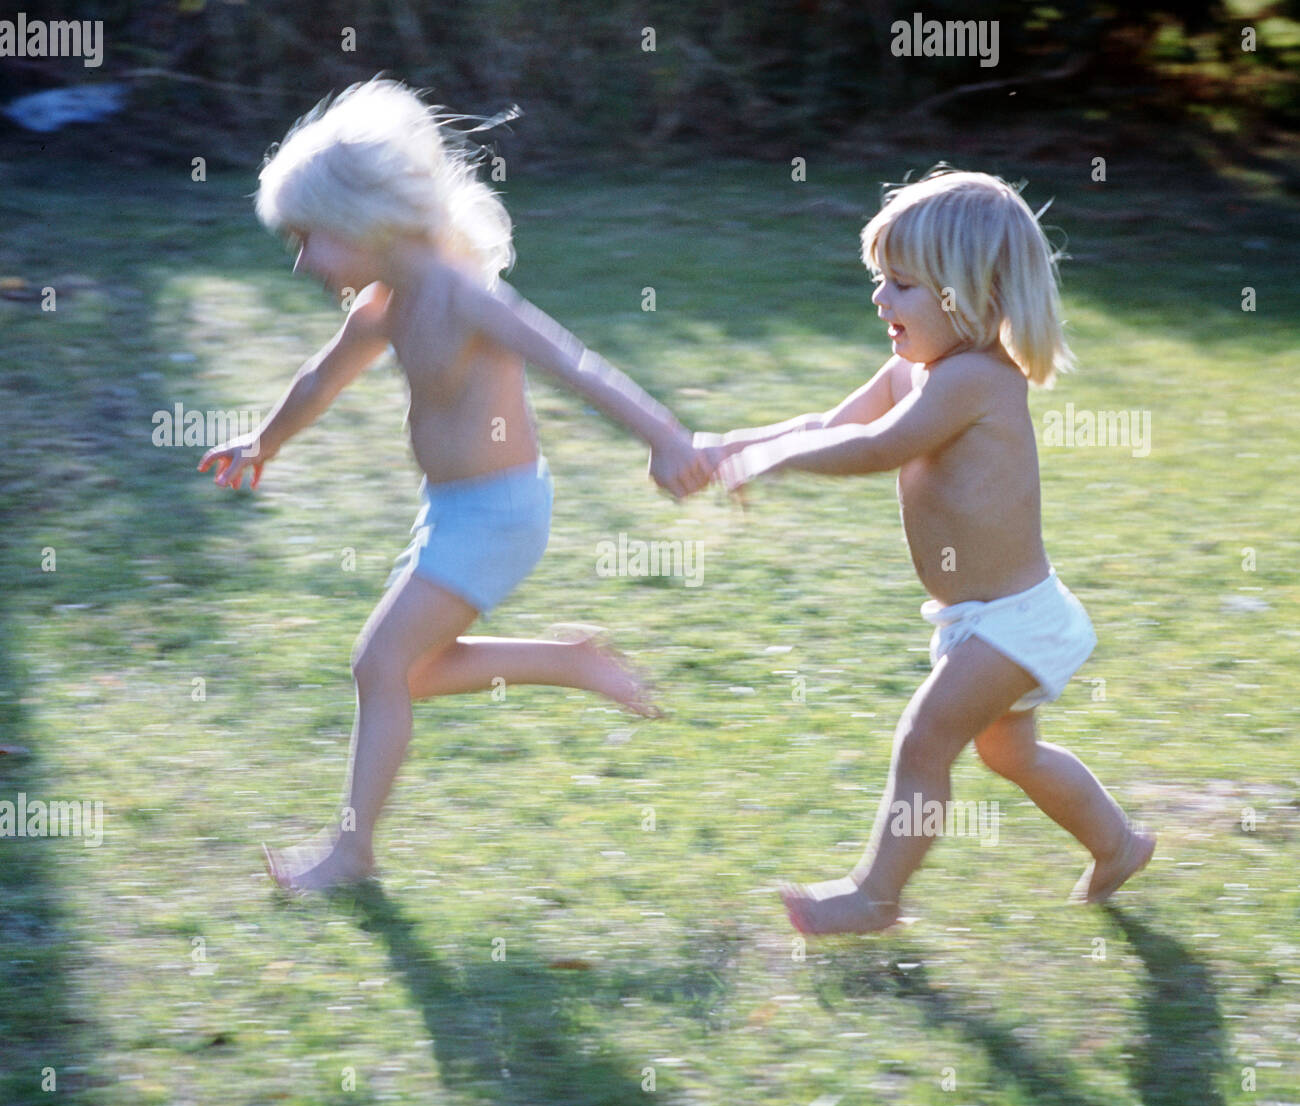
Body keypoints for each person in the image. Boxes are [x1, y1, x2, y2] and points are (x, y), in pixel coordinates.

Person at [197, 79, 713, 891]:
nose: (300, 261)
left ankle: (350, 854)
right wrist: (264, 440)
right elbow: (319, 378)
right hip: (450, 511)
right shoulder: (385, 301)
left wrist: (665, 439)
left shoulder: (464, 295)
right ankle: (568, 661)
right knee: (414, 672)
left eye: (307, 238)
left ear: (364, 222)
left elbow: (573, 363)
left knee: (378, 667)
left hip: (500, 514)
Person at [699, 168, 1155, 934]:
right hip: (975, 618)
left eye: (902, 284)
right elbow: (827, 423)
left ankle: (875, 896)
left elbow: (877, 447)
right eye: (881, 279)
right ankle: (1119, 843)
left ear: (966, 294)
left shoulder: (976, 380)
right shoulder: (916, 368)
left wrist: (773, 464)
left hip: (1014, 619)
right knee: (1011, 754)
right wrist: (736, 445)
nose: (881, 299)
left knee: (924, 738)